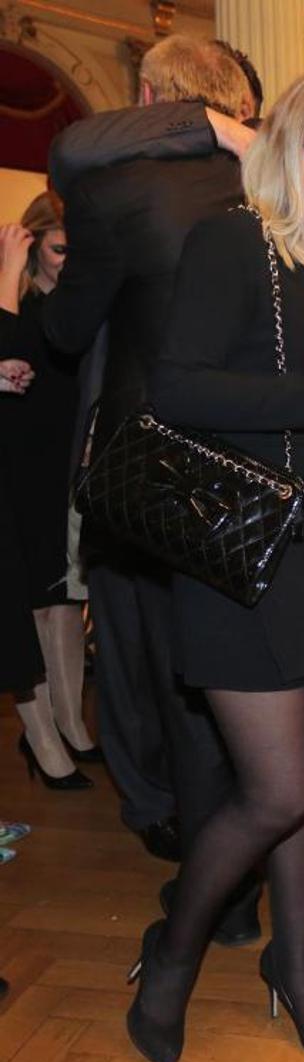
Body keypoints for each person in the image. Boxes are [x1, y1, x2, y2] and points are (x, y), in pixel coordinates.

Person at [124, 67, 304, 1062]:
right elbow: (177, 390)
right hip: (242, 557)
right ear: (280, 147)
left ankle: (294, 965)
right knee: (279, 794)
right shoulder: (233, 242)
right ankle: (172, 953)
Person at [41, 34, 251, 867]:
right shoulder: (269, 183)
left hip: (140, 452)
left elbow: (66, 329)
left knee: (132, 644)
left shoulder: (114, 185)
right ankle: (231, 799)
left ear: (149, 97)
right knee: (215, 643)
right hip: (252, 449)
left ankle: (156, 802)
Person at [0, 193, 98, 789]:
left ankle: (72, 725)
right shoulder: (14, 301)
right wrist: (8, 276)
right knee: (29, 602)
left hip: (66, 460)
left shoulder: (75, 305)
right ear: (34, 243)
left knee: (66, 598)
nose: (69, 261)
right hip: (18, 464)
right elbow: (7, 359)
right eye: (60, 249)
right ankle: (41, 741)